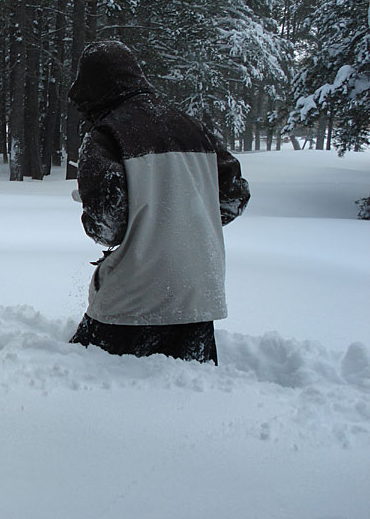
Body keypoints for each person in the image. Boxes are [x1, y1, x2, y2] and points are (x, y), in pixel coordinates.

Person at [67, 40, 249, 364]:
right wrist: (186, 218)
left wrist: (93, 205)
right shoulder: (194, 128)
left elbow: (107, 227)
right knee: (191, 403)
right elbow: (235, 195)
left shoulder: (106, 134)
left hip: (130, 304)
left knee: (102, 396)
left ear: (93, 87)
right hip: (197, 298)